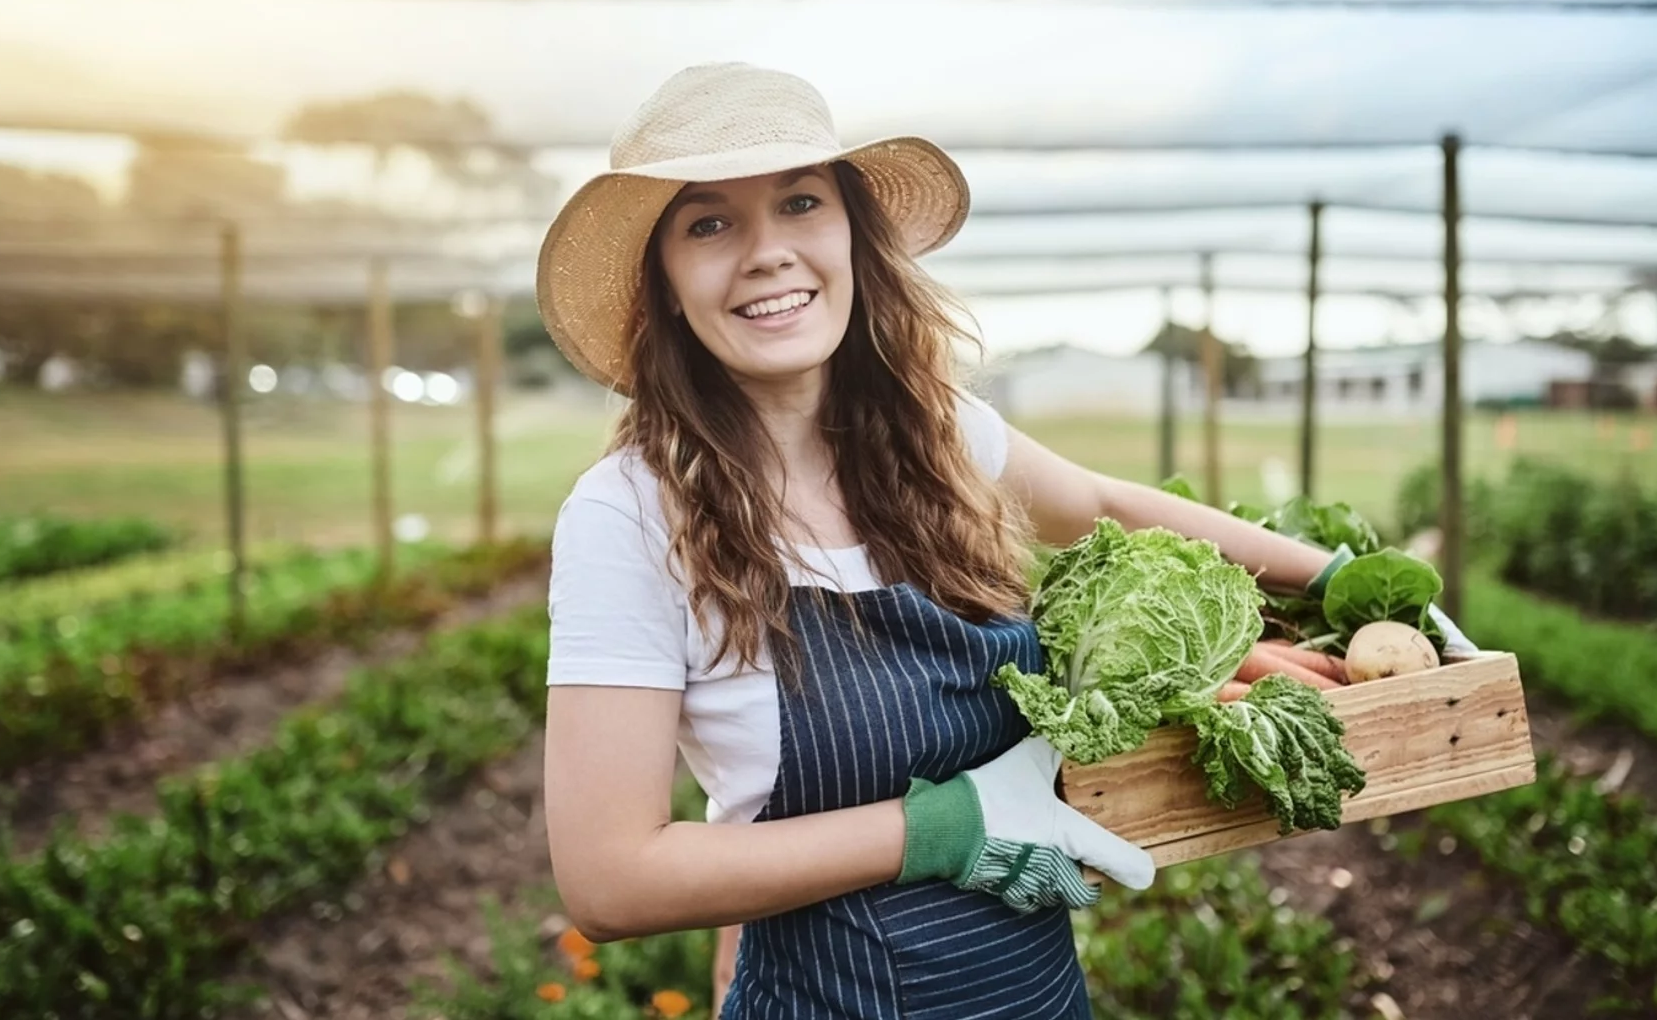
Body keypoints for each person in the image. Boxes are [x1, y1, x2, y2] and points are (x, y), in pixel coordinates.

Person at [538, 62, 1475, 1020]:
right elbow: (611, 880)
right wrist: (943, 828)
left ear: (853, 233)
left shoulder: (934, 440)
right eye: (709, 222)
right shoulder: (632, 517)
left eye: (801, 202)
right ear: (662, 281)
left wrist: (1343, 579)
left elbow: (1106, 502)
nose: (768, 251)